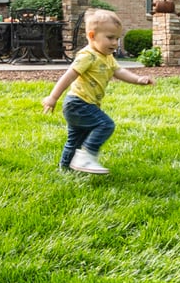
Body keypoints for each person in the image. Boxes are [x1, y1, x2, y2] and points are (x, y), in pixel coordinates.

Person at [42, 9, 154, 174]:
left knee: (75, 140)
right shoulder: (88, 56)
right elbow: (68, 76)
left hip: (82, 105)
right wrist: (53, 97)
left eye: (117, 38)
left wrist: (137, 79)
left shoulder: (107, 57)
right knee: (105, 124)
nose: (115, 43)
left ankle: (65, 170)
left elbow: (119, 72)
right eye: (110, 38)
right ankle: (86, 157)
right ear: (92, 36)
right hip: (78, 103)